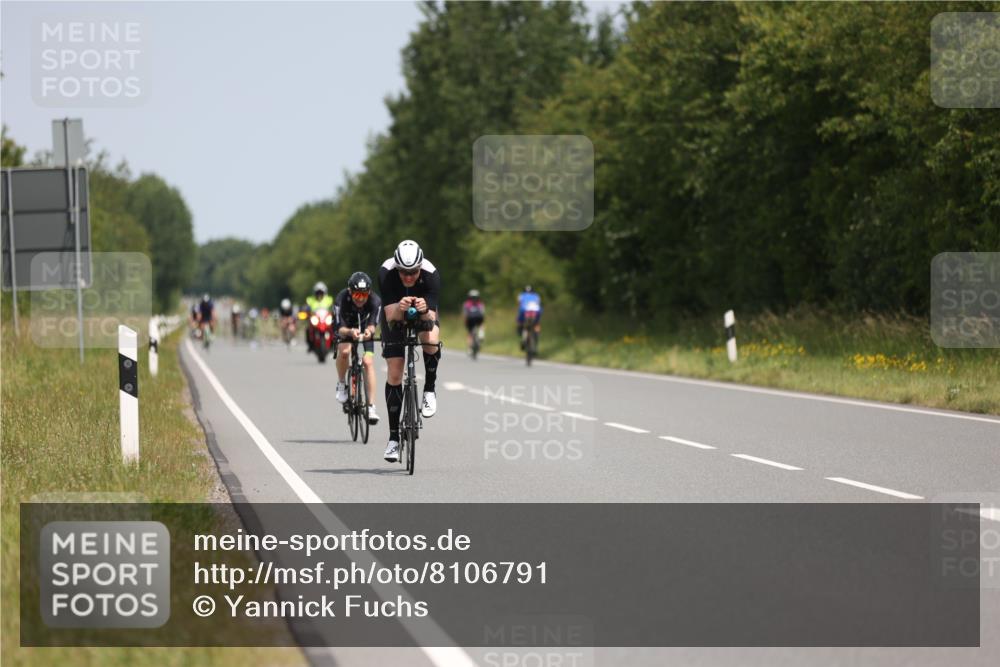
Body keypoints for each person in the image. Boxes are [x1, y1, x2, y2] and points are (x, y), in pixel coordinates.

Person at [378, 240, 441, 462]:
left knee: (431, 339)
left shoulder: (431, 274)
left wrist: (423, 309)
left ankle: (429, 390)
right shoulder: (386, 273)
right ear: (397, 267)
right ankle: (393, 438)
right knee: (395, 371)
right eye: (403, 272)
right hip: (394, 316)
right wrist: (400, 307)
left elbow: (431, 319)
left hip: (424, 314)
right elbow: (389, 316)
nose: (408, 277)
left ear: (420, 267)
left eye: (413, 272)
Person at [334, 272, 382, 425]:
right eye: (356, 295)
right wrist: (349, 332)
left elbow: (373, 325)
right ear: (350, 292)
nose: (360, 299)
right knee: (345, 351)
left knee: (368, 363)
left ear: (369, 293)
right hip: (346, 328)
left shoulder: (375, 301)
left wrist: (369, 331)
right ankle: (342, 383)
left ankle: (371, 407)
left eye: (364, 295)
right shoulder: (341, 299)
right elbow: (339, 328)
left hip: (364, 329)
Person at [304, 281, 334, 351]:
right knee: (308, 329)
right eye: (318, 293)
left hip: (325, 319)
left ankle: (333, 343)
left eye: (321, 293)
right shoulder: (310, 300)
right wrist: (306, 311)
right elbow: (306, 308)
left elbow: (334, 307)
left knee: (334, 327)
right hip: (315, 319)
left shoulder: (329, 299)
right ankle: (310, 344)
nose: (319, 294)